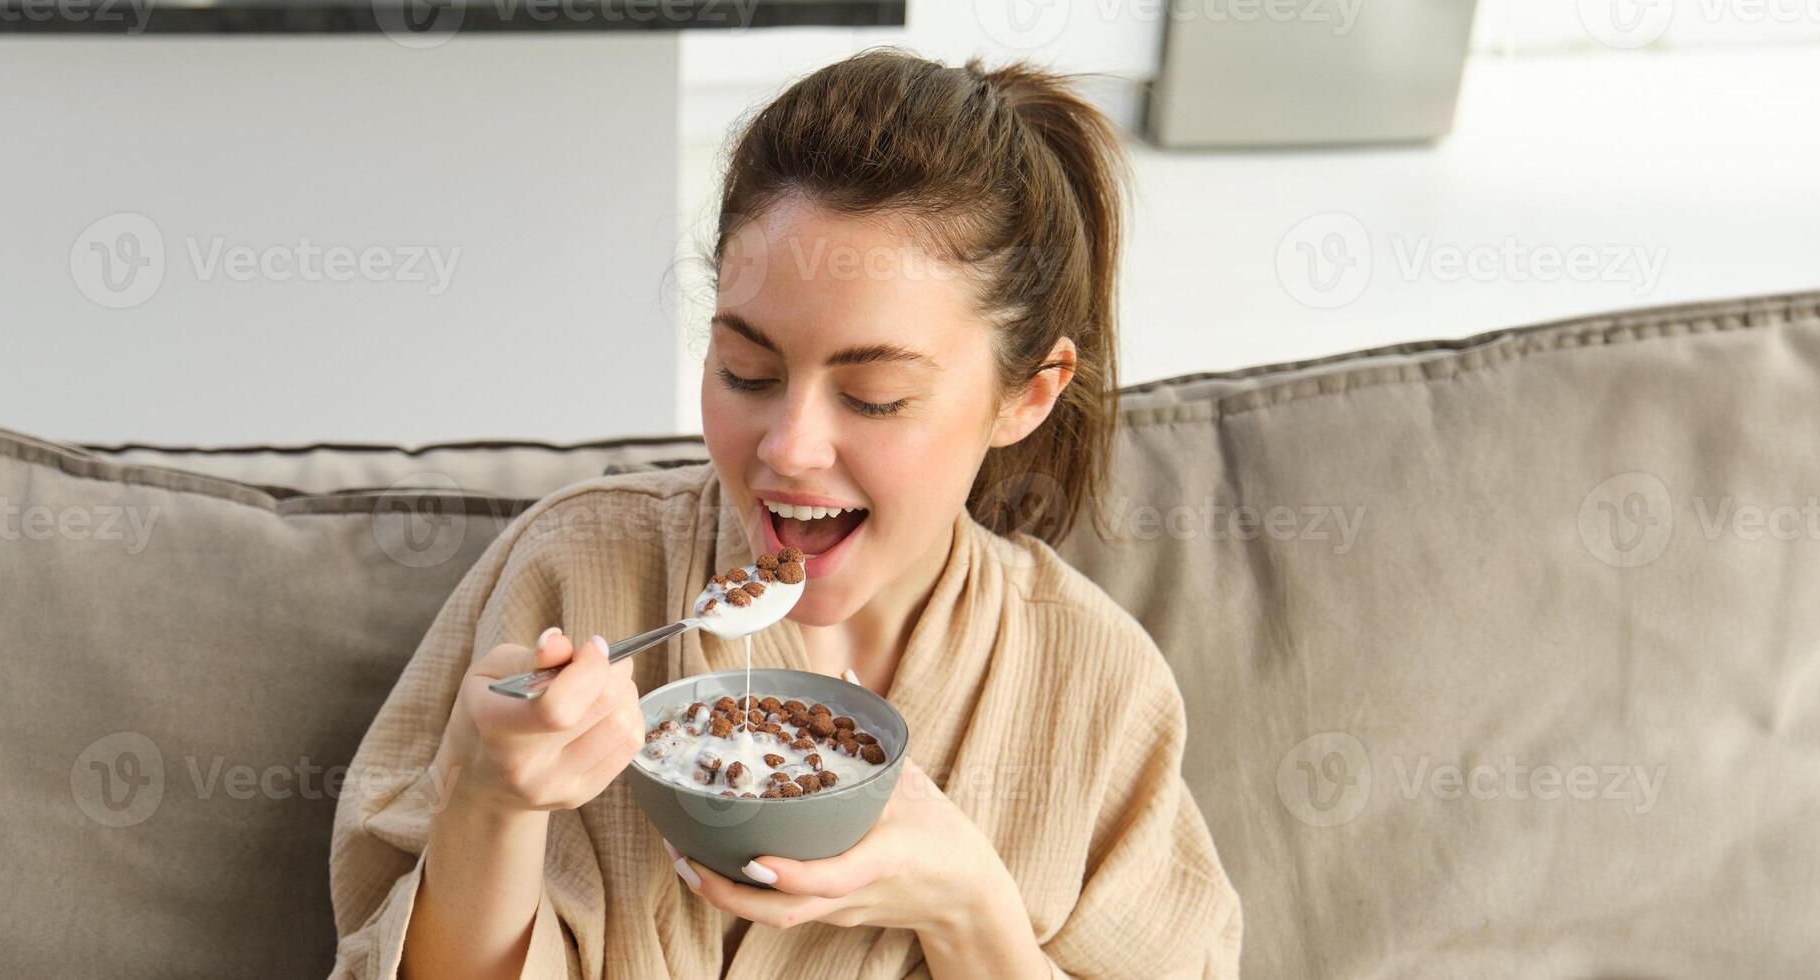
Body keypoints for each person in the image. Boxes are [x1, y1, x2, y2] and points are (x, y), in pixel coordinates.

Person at [330, 46, 1243, 979]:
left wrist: (971, 908)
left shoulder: (1094, 684)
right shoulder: (578, 568)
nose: (788, 447)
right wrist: (486, 804)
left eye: (875, 395)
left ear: (1030, 395)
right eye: (748, 373)